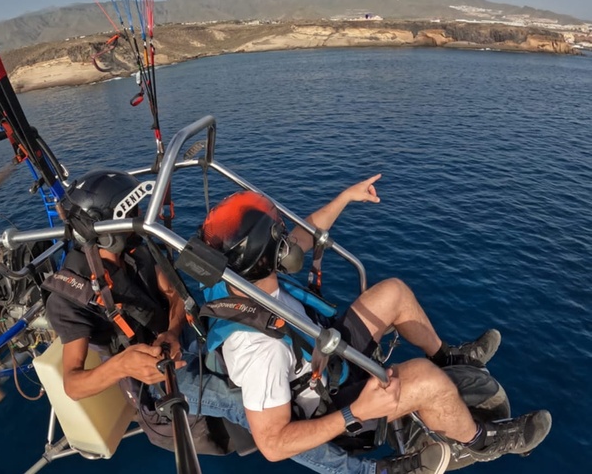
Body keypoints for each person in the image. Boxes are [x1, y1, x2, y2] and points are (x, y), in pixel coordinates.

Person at [43, 168, 437, 474]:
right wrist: (123, 364)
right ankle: (369, 469)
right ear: (106, 231)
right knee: (262, 421)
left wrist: (173, 330)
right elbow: (74, 385)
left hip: (187, 341)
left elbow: (173, 294)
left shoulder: (137, 248)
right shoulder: (69, 297)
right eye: (128, 218)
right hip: (156, 381)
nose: (137, 225)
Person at [195, 180, 552, 473]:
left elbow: (307, 232)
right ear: (265, 255)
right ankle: (482, 441)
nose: (288, 239)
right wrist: (357, 412)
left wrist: (346, 197)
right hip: (331, 402)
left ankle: (449, 356)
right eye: (279, 236)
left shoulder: (234, 276)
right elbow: (273, 444)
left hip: (322, 352)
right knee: (425, 379)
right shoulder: (261, 350)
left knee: (393, 292)